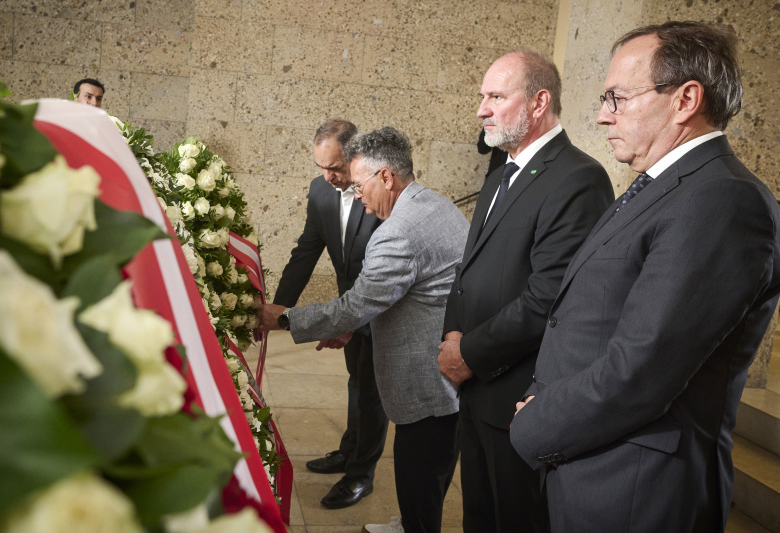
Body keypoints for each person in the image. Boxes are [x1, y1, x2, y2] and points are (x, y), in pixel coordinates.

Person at [510, 21, 780, 532]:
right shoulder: (663, 186)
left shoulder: (721, 199)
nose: (601, 115)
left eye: (617, 97)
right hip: (592, 460)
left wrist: (535, 422)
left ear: (685, 100)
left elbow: (643, 368)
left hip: (637, 489)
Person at [260, 127, 469, 533]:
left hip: (425, 384)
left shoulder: (396, 233)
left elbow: (356, 305)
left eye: (359, 185)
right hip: (450, 379)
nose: (355, 195)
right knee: (431, 478)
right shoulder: (436, 204)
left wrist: (284, 318)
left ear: (386, 177)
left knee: (419, 480)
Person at [438, 49, 613, 533]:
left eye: (496, 97)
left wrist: (467, 353)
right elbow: (467, 270)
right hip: (476, 389)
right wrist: (452, 335)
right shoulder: (501, 172)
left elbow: (550, 297)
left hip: (519, 397)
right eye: (483, 97)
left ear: (539, 102)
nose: (482, 109)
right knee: (478, 517)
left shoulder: (579, 178)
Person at [272, 119, 388, 510]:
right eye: (321, 167)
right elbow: (306, 251)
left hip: (380, 307)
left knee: (372, 392)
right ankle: (349, 450)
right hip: (348, 304)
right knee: (357, 381)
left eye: (335, 168)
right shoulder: (321, 190)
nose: (328, 177)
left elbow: (383, 272)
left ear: (356, 157)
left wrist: (351, 321)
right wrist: (280, 308)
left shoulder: (380, 190)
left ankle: (361, 475)